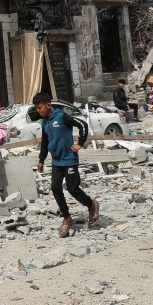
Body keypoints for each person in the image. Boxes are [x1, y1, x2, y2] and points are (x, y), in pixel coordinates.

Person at [35, 92, 99, 237]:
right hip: (56, 161)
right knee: (55, 188)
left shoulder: (62, 117)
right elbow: (45, 143)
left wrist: (80, 144)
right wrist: (41, 160)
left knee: (72, 188)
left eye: (40, 108)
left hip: (69, 159)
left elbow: (82, 125)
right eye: (37, 109)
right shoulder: (45, 122)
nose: (38, 111)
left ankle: (92, 205)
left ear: (48, 105)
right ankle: (67, 217)